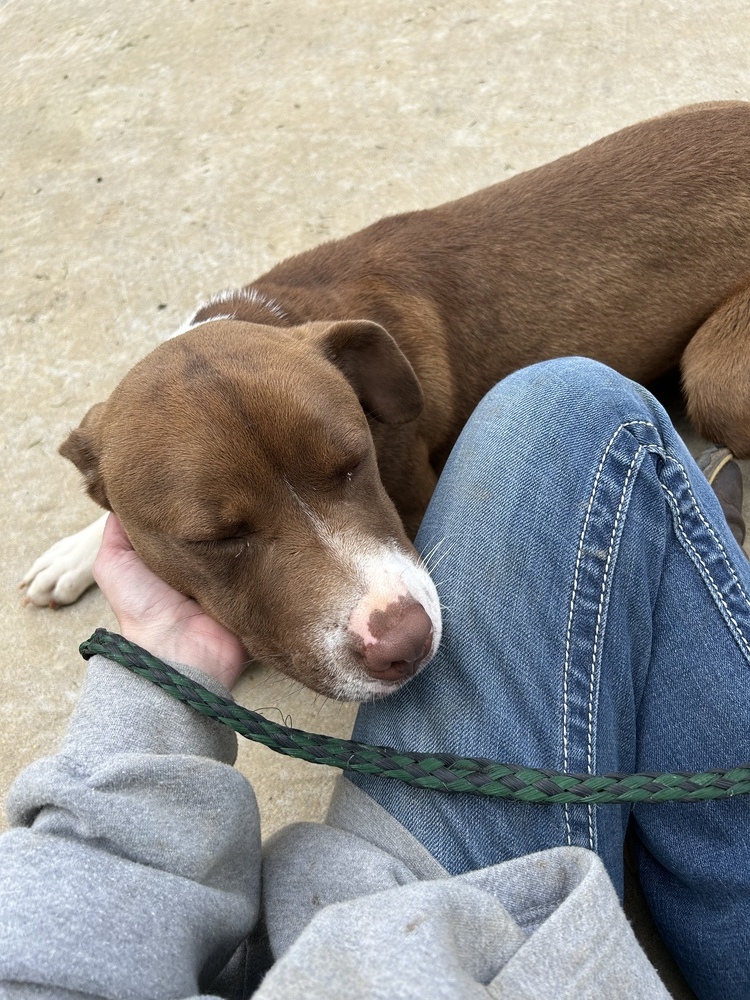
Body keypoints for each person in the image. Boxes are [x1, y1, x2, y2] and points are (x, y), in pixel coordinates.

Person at [1, 357, 749, 999]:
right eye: (225, 534)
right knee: (576, 415)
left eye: (350, 468)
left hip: (359, 942)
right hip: (416, 951)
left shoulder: (307, 373)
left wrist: (165, 671)